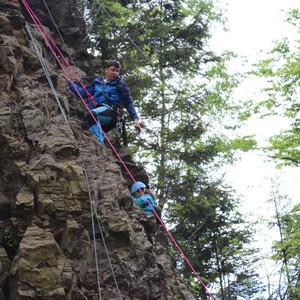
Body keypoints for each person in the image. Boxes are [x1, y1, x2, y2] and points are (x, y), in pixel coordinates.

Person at [65, 60, 141, 144]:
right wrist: (70, 83)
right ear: (106, 70)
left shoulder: (121, 84)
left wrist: (135, 119)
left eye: (117, 71)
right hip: (99, 115)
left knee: (92, 115)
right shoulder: (97, 82)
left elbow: (128, 102)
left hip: (111, 113)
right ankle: (100, 150)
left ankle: (100, 144)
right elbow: (83, 93)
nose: (115, 73)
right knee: (89, 130)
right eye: (113, 70)